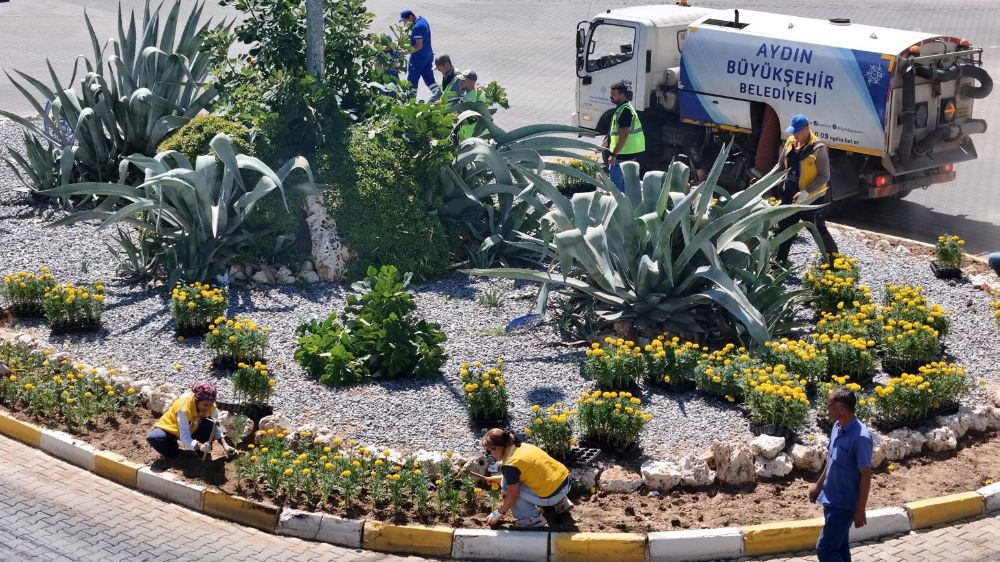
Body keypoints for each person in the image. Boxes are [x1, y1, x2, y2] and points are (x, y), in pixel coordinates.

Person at [809, 387, 873, 562]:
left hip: (844, 505)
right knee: (840, 547)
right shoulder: (837, 427)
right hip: (830, 499)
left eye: (829, 405)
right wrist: (818, 486)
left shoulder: (861, 437)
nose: (826, 408)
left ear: (842, 409)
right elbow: (831, 460)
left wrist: (860, 510)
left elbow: (866, 475)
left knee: (825, 549)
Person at [771, 114, 839, 264]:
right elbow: (781, 165)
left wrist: (806, 192)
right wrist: (769, 182)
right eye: (793, 132)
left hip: (811, 198)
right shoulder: (790, 142)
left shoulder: (818, 148)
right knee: (785, 228)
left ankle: (835, 262)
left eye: (798, 132)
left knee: (817, 230)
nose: (795, 135)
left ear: (807, 129)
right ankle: (780, 261)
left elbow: (824, 176)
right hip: (790, 194)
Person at [482, 428, 573, 528]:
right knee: (506, 481)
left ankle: (531, 519)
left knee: (507, 487)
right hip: (565, 483)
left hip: (553, 495)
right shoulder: (521, 446)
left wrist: (499, 513)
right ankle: (561, 504)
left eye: (489, 451)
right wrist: (501, 478)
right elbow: (531, 471)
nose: (490, 454)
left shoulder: (509, 465)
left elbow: (513, 495)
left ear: (497, 448)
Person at [147, 381, 235, 460]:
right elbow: (185, 437)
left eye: (210, 404)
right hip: (171, 429)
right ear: (197, 400)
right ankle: (177, 453)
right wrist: (200, 446)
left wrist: (224, 444)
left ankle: (199, 453)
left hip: (192, 430)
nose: (207, 407)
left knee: (210, 424)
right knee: (155, 438)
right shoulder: (184, 409)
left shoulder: (211, 407)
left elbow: (218, 426)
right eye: (205, 404)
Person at [601, 81, 645, 191]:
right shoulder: (622, 108)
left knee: (616, 186)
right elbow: (613, 132)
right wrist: (603, 145)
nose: (611, 96)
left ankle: (620, 206)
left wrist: (613, 154)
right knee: (625, 183)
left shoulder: (625, 111)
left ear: (622, 95)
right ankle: (627, 204)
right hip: (626, 151)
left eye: (614, 94)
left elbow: (624, 134)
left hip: (623, 153)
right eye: (611, 94)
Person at [400, 9, 439, 98]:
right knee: (430, 80)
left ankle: (410, 103)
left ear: (410, 16)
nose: (406, 22)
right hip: (428, 55)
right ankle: (441, 97)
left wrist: (406, 52)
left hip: (418, 59)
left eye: (406, 20)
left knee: (411, 82)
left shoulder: (417, 27)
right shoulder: (423, 20)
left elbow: (418, 46)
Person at [455, 70, 488, 140]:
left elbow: (473, 119)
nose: (460, 83)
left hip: (477, 139)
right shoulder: (468, 94)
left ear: (471, 82)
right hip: (467, 137)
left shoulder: (477, 98)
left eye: (463, 81)